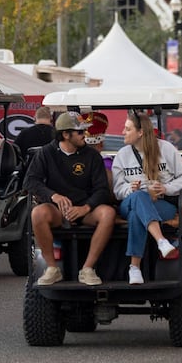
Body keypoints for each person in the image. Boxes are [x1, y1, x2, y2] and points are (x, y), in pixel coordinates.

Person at [24, 111, 116, 286]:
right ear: (66, 134)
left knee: (108, 213)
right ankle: (52, 268)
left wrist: (86, 207)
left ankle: (87, 268)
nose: (85, 135)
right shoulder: (46, 153)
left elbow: (102, 189)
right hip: (57, 210)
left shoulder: (92, 155)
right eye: (80, 132)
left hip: (86, 210)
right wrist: (53, 195)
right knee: (37, 213)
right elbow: (30, 181)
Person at [113, 109, 182, 285]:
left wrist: (165, 188)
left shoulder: (166, 149)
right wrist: (130, 188)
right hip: (130, 201)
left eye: (128, 129)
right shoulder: (122, 155)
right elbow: (117, 190)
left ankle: (134, 267)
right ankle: (161, 241)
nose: (123, 132)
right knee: (139, 196)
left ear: (140, 132)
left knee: (136, 215)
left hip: (161, 203)